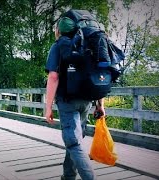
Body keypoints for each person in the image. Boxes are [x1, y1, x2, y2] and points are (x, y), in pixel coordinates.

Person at [45, 17, 106, 180]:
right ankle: (68, 176)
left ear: (58, 31)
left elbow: (53, 77)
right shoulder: (87, 45)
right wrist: (100, 104)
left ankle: (89, 177)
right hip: (87, 101)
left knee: (73, 141)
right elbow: (98, 75)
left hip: (67, 101)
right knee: (74, 140)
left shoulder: (58, 46)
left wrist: (48, 107)